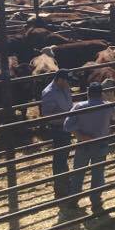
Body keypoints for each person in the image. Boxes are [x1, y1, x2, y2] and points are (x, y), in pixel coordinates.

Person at [64, 82, 115, 216]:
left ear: (88, 93)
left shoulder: (79, 106)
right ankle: (95, 201)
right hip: (101, 144)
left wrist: (80, 135)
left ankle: (73, 199)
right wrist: (108, 101)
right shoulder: (108, 106)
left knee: (78, 172)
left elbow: (67, 125)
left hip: (83, 145)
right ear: (101, 93)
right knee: (98, 173)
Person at [40, 69, 77, 218]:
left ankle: (64, 184)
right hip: (58, 127)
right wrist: (65, 118)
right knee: (60, 158)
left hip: (66, 126)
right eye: (67, 80)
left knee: (64, 155)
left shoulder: (64, 87)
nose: (69, 84)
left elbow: (69, 103)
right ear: (60, 79)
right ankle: (60, 189)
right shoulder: (49, 92)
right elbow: (48, 115)